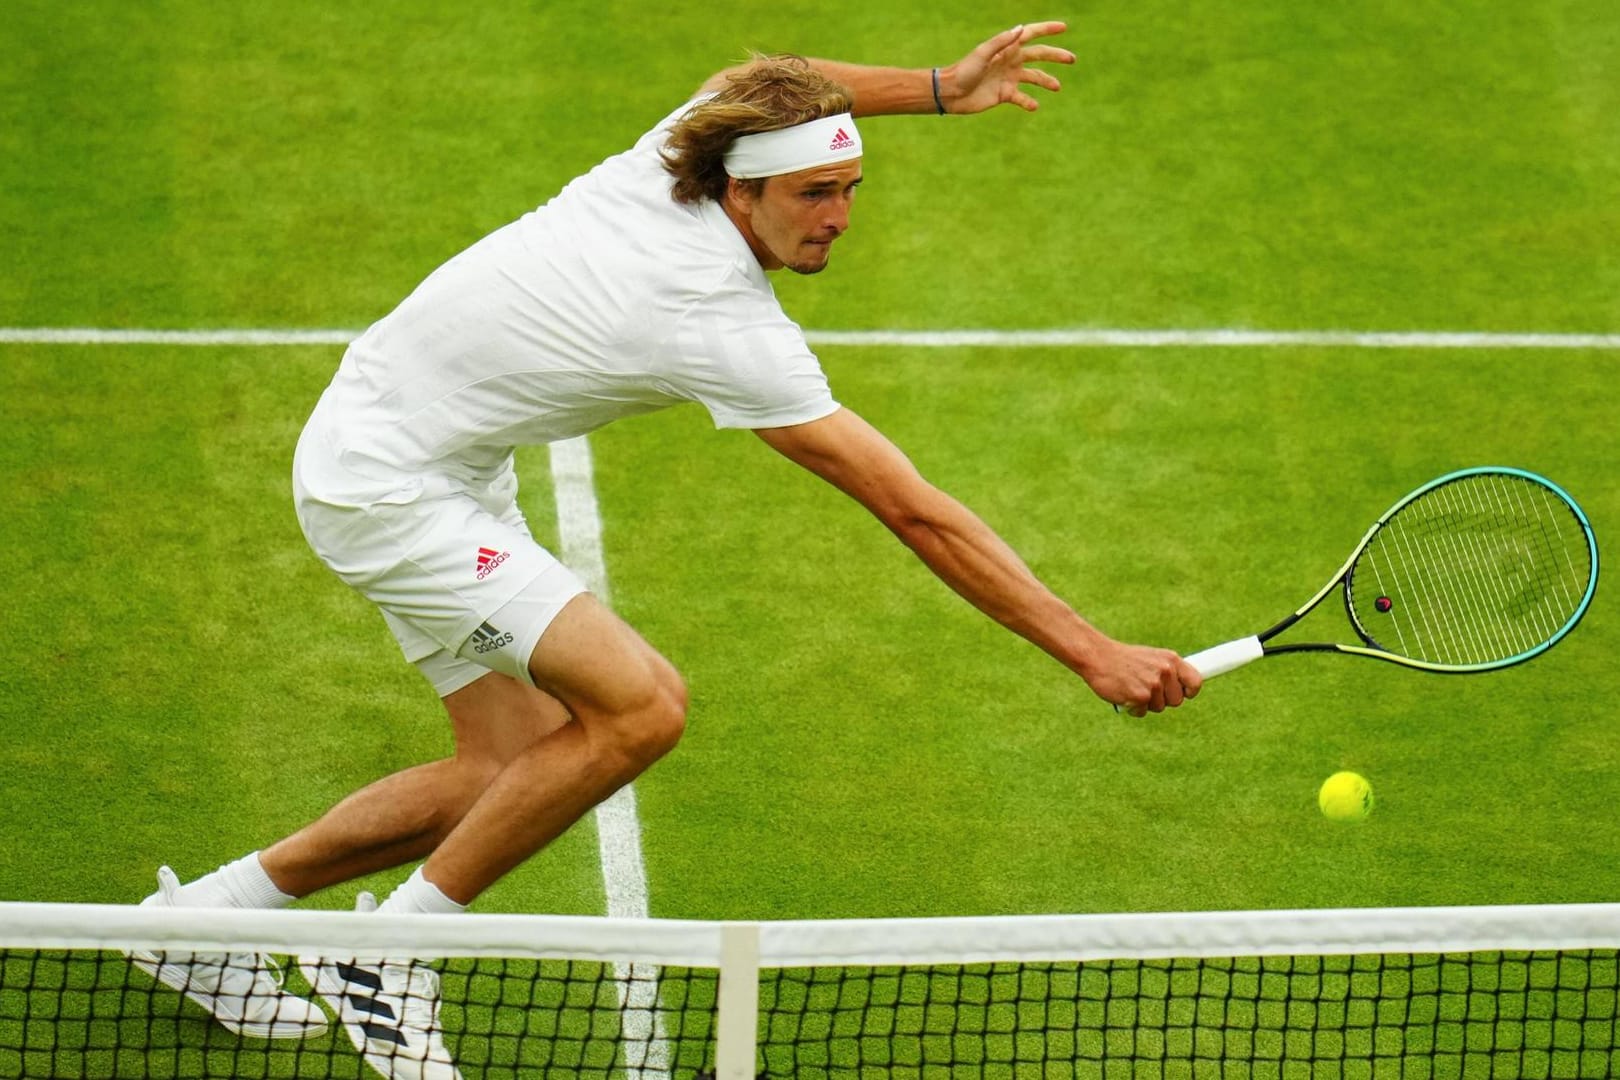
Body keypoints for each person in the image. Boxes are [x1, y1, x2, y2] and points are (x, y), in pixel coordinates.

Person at [129, 20, 1201, 1079]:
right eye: (812, 197)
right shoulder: (715, 317)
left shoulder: (682, 148)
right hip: (387, 487)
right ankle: (395, 953)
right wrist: (1091, 651)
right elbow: (914, 509)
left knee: (506, 772)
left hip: (422, 443)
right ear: (741, 194)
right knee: (642, 707)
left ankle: (202, 922)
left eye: (849, 190)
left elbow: (768, 78)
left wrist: (937, 86)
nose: (838, 220)